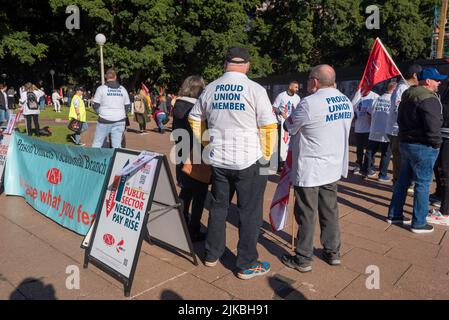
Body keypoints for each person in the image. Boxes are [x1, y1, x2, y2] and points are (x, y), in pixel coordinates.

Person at [188, 47, 278, 279]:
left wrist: (206, 144)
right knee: (249, 212)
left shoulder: (210, 88)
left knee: (219, 207)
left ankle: (211, 254)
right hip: (249, 160)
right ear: (247, 65)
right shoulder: (255, 89)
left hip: (219, 159)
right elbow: (269, 127)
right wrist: (266, 157)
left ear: (225, 64)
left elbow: (194, 117)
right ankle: (246, 263)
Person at [280, 65, 353, 273]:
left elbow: (289, 126)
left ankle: (303, 258)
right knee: (330, 210)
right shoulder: (345, 101)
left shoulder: (309, 103)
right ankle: (333, 251)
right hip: (332, 166)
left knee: (306, 213)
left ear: (314, 81)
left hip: (311, 168)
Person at [387, 68, 446, 234]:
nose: (439, 82)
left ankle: (394, 214)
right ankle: (418, 223)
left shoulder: (408, 94)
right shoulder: (429, 98)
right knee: (423, 183)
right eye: (436, 80)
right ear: (427, 81)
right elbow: (433, 125)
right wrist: (436, 143)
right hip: (422, 146)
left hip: (406, 143)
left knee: (402, 182)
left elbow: (399, 118)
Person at [173, 75, 207, 241]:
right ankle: (194, 228)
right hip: (196, 153)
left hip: (181, 151)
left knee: (185, 189)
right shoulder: (196, 108)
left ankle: (180, 219)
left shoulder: (178, 105)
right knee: (200, 193)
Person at [386, 64, 422, 185]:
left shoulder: (405, 88)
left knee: (404, 161)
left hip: (401, 131)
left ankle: (402, 183)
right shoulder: (402, 89)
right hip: (397, 132)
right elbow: (399, 110)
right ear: (414, 75)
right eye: (420, 76)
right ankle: (398, 185)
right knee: (399, 161)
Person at [361, 82, 397, 182]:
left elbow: (369, 113)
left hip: (374, 129)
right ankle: (382, 175)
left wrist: (372, 125)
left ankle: (366, 171)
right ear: (394, 90)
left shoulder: (377, 99)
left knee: (370, 151)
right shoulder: (393, 100)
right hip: (386, 131)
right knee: (386, 154)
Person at [91, 69, 131, 148]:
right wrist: (122, 114)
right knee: (117, 146)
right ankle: (116, 159)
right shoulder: (123, 89)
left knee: (97, 143)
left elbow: (95, 105)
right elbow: (127, 106)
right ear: (115, 77)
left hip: (104, 120)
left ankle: (94, 159)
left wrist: (101, 112)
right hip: (120, 120)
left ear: (106, 77)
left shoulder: (101, 89)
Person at [272, 81, 301, 172]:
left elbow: (299, 109)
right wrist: (281, 113)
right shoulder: (281, 95)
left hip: (292, 125)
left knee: (290, 145)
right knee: (280, 145)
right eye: (295, 87)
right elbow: (274, 107)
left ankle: (287, 165)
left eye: (297, 87)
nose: (297, 89)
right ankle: (277, 166)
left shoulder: (297, 98)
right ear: (290, 86)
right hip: (282, 123)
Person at [352, 90, 379, 174]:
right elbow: (352, 108)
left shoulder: (375, 96)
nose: (363, 89)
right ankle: (359, 165)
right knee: (359, 149)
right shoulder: (357, 95)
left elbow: (377, 111)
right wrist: (354, 115)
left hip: (369, 129)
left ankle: (369, 166)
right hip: (358, 128)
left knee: (370, 150)